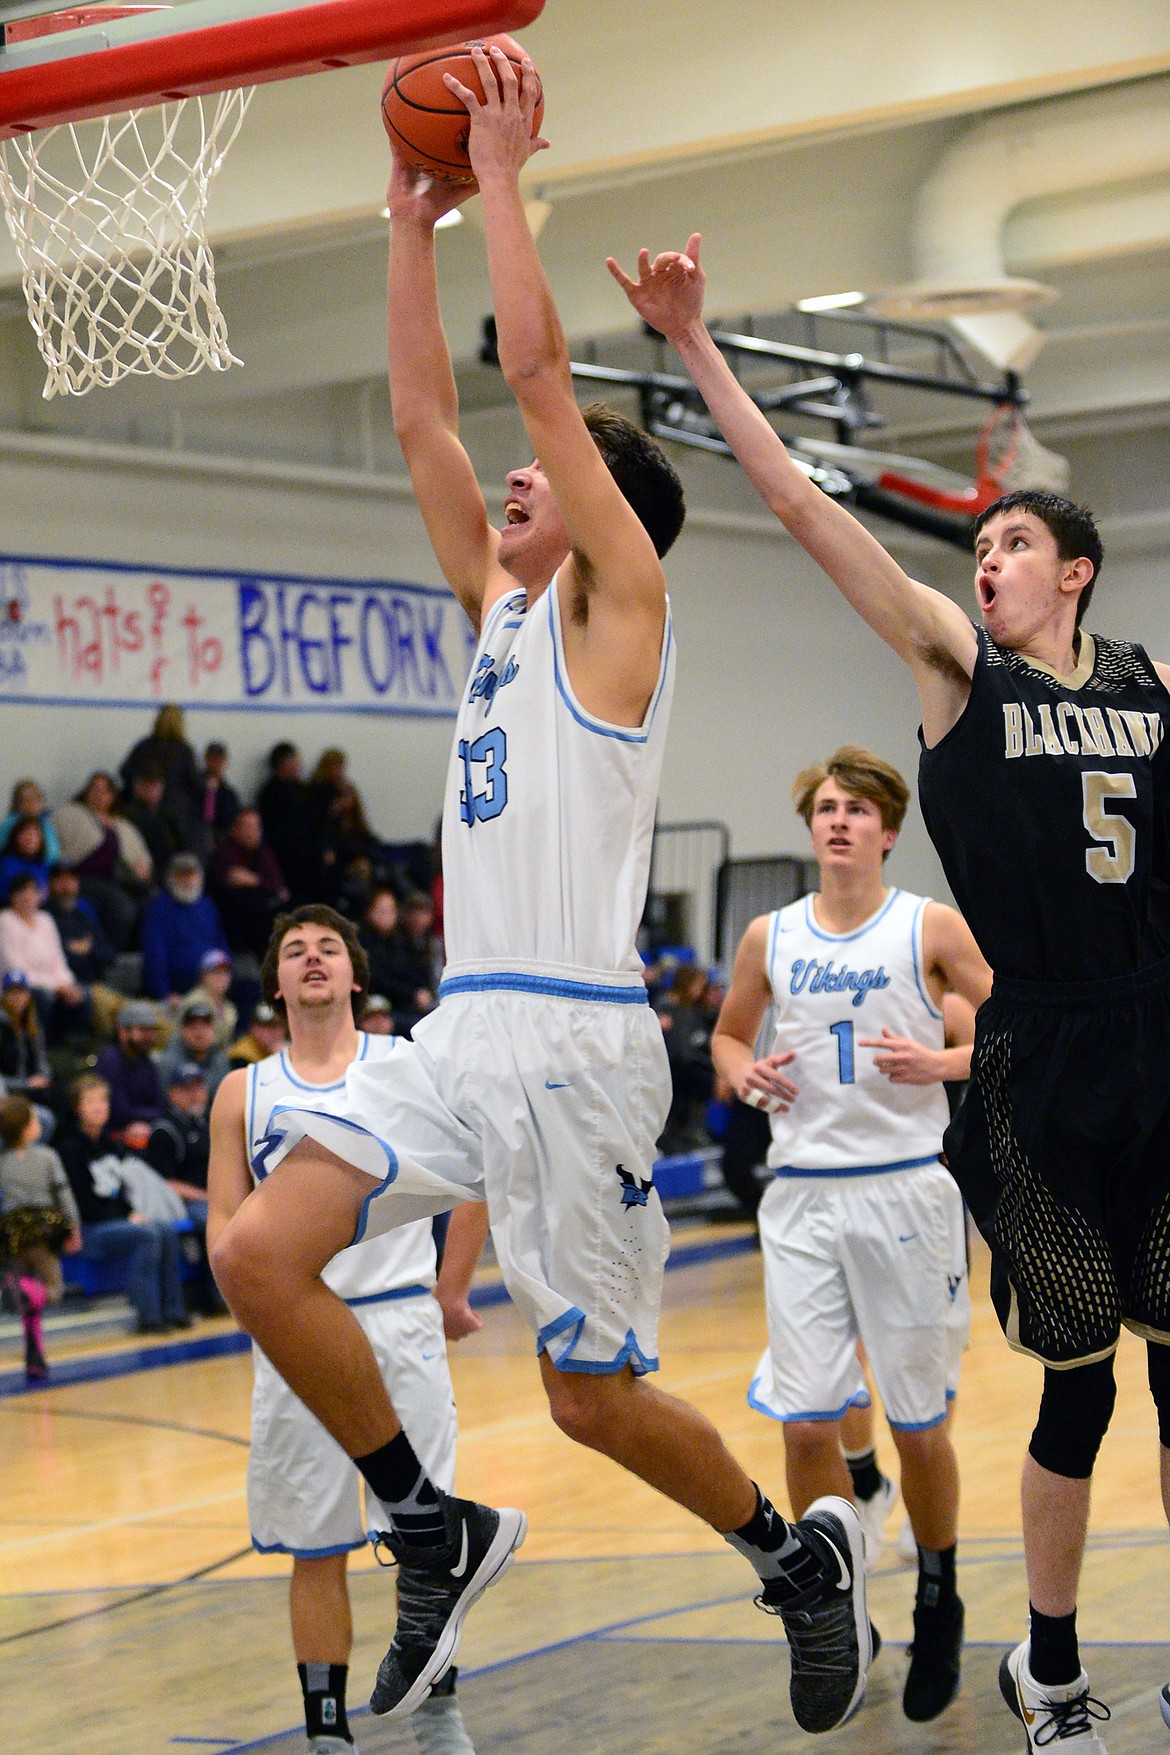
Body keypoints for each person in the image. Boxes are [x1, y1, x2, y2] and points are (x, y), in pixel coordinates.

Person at [211, 53, 870, 1741]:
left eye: (544, 481)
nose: (507, 481)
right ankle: (430, 1521)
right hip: (459, 1033)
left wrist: (505, 176)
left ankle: (790, 1562)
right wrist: (403, 219)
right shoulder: (501, 621)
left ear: (597, 522)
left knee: (591, 1400)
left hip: (577, 1051)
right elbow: (433, 412)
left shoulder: (620, 612)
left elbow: (531, 377)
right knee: (259, 1253)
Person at [611, 232, 1164, 1750]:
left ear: (1076, 572)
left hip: (1157, 1043)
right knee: (1073, 1394)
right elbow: (800, 504)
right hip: (1041, 1063)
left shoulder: (1143, 692)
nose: (983, 563)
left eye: (1009, 547)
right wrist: (693, 343)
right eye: (975, 547)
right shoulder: (951, 669)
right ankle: (1043, 1663)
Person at [712, 745, 991, 1722]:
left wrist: (944, 1059)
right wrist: (742, 1072)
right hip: (801, 1193)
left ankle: (940, 1593)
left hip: (908, 1191)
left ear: (887, 828)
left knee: (917, 1424)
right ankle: (837, 1607)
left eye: (856, 809)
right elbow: (726, 1037)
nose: (838, 821)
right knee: (805, 1418)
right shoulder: (768, 937)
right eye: (826, 808)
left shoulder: (929, 926)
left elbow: (1011, 1030)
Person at [208, 906, 483, 1755]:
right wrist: (254, 1304)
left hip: (400, 1317)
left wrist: (452, 1287)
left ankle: (437, 1710)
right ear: (276, 983)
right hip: (299, 1338)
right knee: (314, 1539)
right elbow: (224, 1227)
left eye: (329, 947)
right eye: (294, 950)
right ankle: (327, 1729)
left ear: (355, 975)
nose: (313, 958)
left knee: (423, 1536)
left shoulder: (401, 1062)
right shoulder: (242, 1089)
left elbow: (470, 1179)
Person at [56, 1072, 189, 1334]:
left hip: (115, 1219)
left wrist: (131, 1212)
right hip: (89, 1228)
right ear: (77, 1108)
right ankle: (149, 1317)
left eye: (102, 1101)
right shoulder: (68, 1148)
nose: (98, 1108)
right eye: (90, 1102)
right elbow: (82, 1203)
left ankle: (174, 1310)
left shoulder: (109, 1143)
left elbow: (124, 1190)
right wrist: (126, 1216)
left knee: (165, 1229)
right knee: (148, 1235)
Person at [52, 771, 151, 950]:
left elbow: (140, 854)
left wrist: (142, 866)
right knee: (123, 908)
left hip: (118, 880)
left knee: (151, 903)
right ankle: (110, 956)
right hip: (82, 877)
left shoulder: (122, 824)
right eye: (95, 789)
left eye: (105, 791)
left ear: (112, 796)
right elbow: (55, 844)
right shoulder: (71, 814)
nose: (99, 794)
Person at [0, 872, 89, 1039]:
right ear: (13, 896)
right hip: (18, 986)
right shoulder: (5, 921)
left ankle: (77, 1050)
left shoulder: (45, 919)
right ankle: (43, 1046)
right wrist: (57, 987)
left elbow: (58, 959)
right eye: (22, 893)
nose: (28, 898)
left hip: (53, 983)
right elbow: (15, 968)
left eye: (32, 892)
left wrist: (67, 984)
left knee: (82, 994)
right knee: (42, 997)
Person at [141, 854, 229, 1005]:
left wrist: (225, 974)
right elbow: (155, 956)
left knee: (250, 986)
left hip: (213, 980)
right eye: (181, 875)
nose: (187, 880)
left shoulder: (207, 905)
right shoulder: (159, 908)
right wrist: (164, 993)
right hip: (179, 986)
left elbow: (221, 944)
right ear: (170, 878)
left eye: (191, 874)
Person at [208, 808, 289, 960]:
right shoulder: (226, 854)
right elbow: (230, 880)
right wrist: (262, 884)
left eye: (257, 827)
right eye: (248, 827)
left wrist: (256, 880)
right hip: (239, 932)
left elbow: (280, 888)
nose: (254, 832)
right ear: (235, 830)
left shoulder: (263, 852)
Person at [95, 1001, 165, 1138]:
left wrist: (149, 1118)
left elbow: (159, 1103)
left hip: (145, 1127)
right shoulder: (110, 1061)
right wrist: (150, 1115)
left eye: (151, 1031)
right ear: (123, 1032)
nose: (149, 1036)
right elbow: (120, 1111)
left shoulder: (146, 1060)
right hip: (113, 1132)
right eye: (143, 1030)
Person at [155, 996, 230, 1103]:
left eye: (205, 1025)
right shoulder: (167, 1061)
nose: (199, 1032)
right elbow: (165, 1103)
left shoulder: (220, 1059)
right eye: (192, 1026)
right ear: (182, 1030)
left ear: (214, 1029)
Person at [0, 779, 61, 869]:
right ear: (17, 803)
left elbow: (54, 854)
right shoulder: (10, 824)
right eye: (26, 799)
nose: (32, 803)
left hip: (44, 869)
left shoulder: (46, 824)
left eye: (36, 798)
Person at [0, 814, 51, 902]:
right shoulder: (5, 863)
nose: (30, 838)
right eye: (26, 833)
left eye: (35, 835)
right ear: (16, 837)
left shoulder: (43, 866)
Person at [228, 999, 288, 1068]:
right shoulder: (241, 1057)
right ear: (253, 1028)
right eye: (266, 1026)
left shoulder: (287, 1050)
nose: (271, 1033)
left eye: (277, 1026)